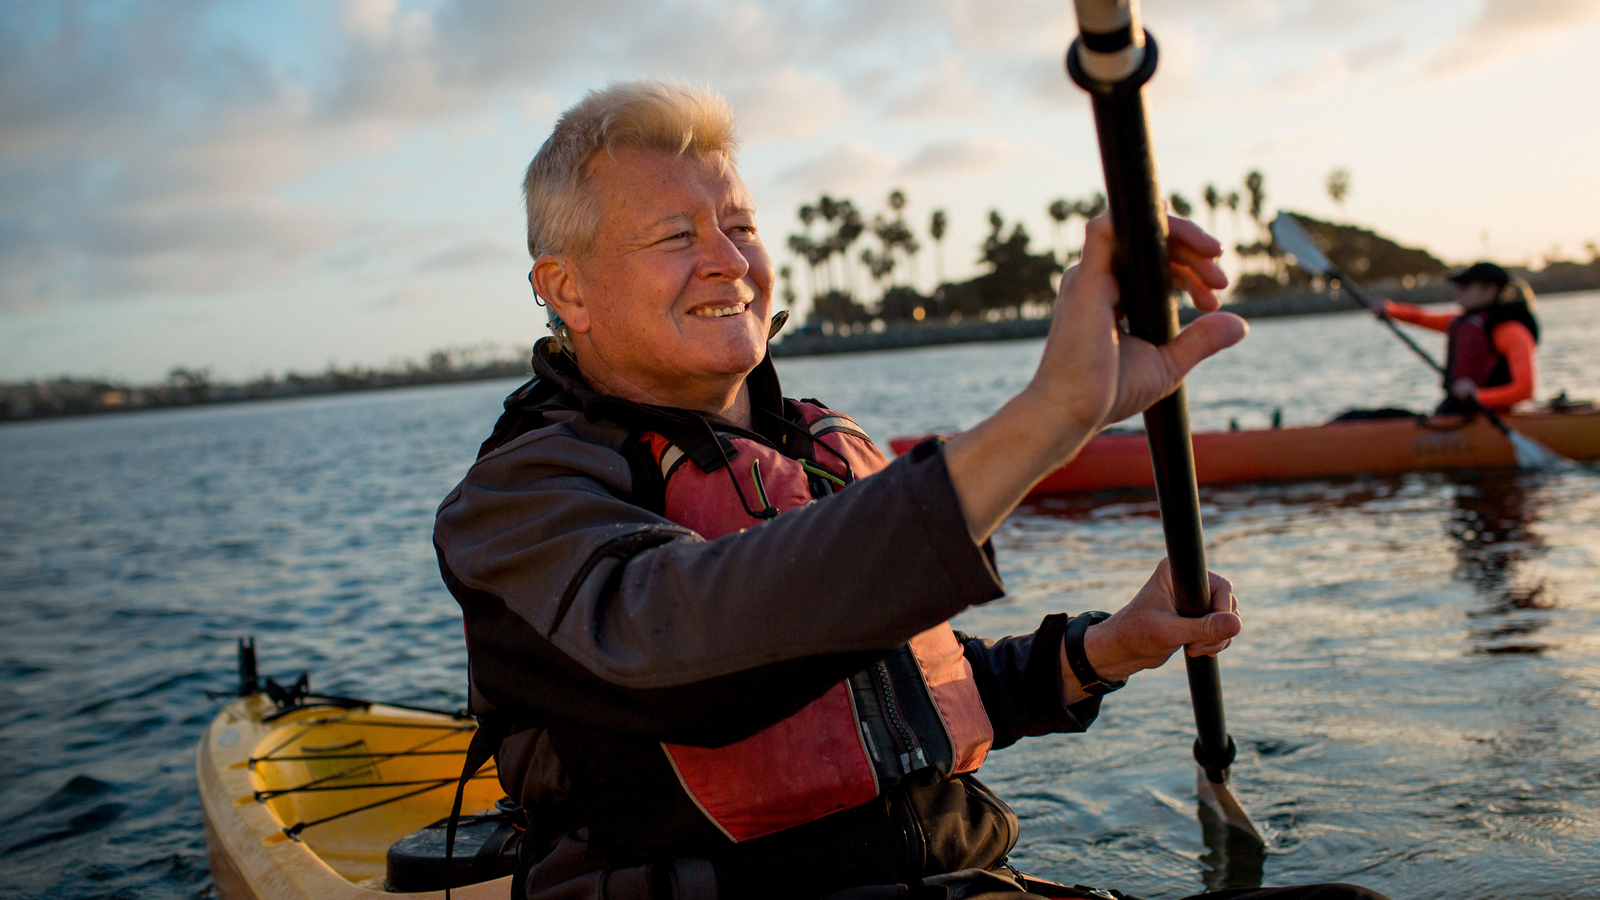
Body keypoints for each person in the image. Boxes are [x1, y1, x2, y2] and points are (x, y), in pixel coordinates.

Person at [434, 80, 1388, 900]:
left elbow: (908, 695)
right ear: (569, 291)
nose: (727, 259)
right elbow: (685, 643)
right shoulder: (521, 500)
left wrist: (1105, 650)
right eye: (675, 235)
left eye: (739, 225)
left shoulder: (813, 443)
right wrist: (1052, 416)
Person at [1382, 262, 1540, 415]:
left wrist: (1476, 396)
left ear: (1490, 290)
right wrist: (1389, 310)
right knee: (1375, 416)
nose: (1458, 291)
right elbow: (1420, 317)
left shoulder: (1510, 331)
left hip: (1494, 415)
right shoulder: (1464, 323)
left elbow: (1525, 390)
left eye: (1465, 286)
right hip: (1460, 412)